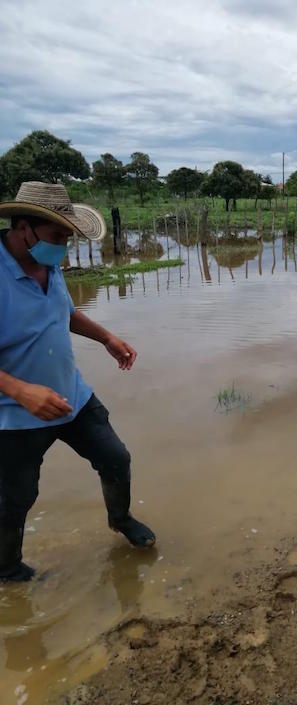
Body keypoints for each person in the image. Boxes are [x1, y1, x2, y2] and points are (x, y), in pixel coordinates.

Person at [0, 182, 155, 583]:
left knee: (115, 458)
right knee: (15, 499)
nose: (62, 248)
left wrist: (107, 338)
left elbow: (65, 314)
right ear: (23, 228)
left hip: (72, 397)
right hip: (14, 414)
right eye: (56, 237)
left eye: (67, 238)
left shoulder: (48, 265)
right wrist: (19, 389)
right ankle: (8, 568)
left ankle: (120, 520)